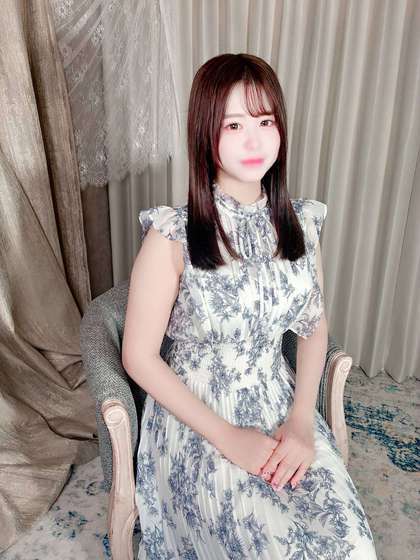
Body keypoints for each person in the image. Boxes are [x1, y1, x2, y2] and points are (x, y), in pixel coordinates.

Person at [122, 53, 378, 559]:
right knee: (274, 547)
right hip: (197, 416)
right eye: (234, 125)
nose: (255, 140)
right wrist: (228, 437)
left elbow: (313, 326)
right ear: (205, 134)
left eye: (266, 122)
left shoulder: (301, 225)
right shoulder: (172, 234)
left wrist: (302, 419)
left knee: (351, 545)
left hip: (279, 401)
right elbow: (138, 356)